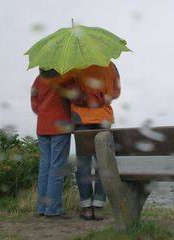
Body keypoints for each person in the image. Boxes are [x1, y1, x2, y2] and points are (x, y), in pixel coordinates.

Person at [71, 61, 121, 221]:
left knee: (83, 165)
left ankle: (86, 208)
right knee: (103, 164)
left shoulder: (74, 66)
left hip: (81, 119)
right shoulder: (111, 66)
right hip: (104, 118)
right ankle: (98, 206)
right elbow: (116, 92)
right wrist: (103, 97)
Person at [31, 68, 82, 218]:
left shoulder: (38, 79)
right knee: (57, 167)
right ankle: (53, 209)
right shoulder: (66, 78)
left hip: (42, 126)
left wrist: (44, 112)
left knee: (45, 166)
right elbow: (76, 98)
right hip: (60, 127)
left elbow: (34, 105)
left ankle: (42, 208)